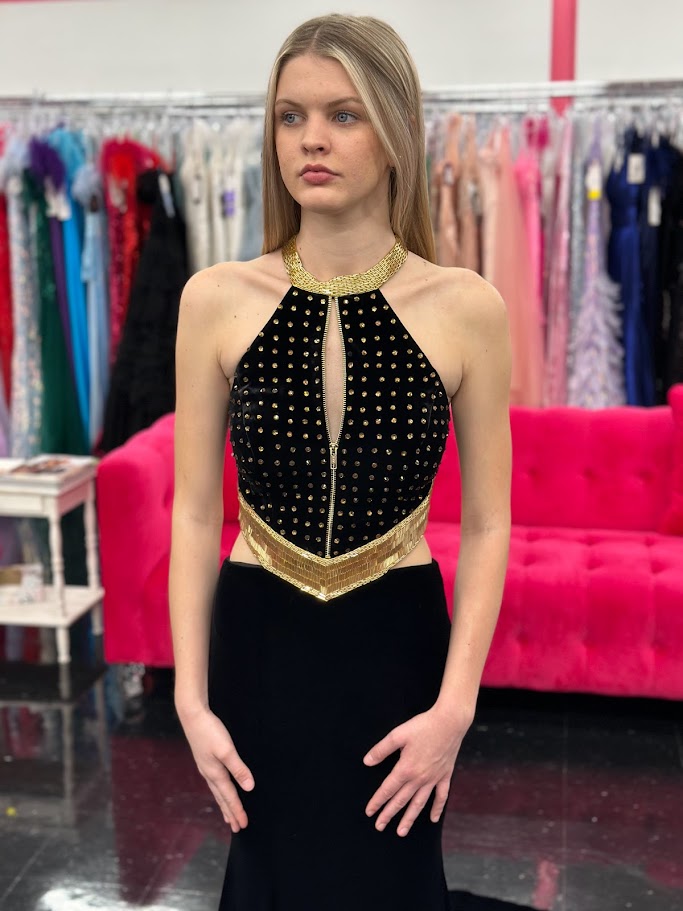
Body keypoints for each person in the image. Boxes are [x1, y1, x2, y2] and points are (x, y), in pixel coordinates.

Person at [169, 13, 511, 911]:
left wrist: (456, 707)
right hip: (259, 638)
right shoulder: (214, 299)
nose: (310, 139)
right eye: (290, 116)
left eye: (342, 114)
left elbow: (488, 522)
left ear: (394, 131)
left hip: (394, 642)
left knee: (394, 880)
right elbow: (194, 511)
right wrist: (190, 701)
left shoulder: (465, 306)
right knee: (267, 880)